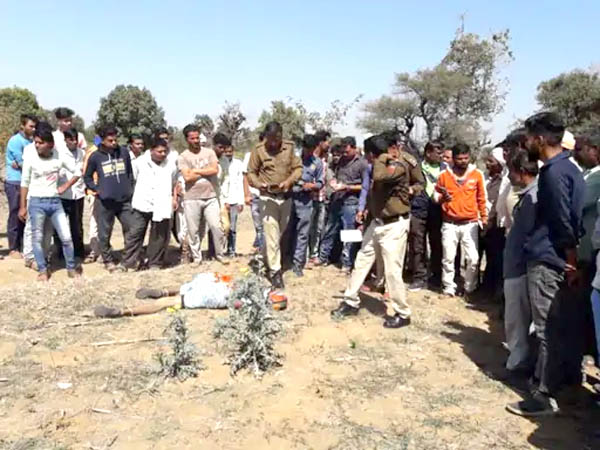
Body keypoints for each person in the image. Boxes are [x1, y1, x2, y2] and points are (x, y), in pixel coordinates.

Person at [506, 112, 585, 417]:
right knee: (562, 326)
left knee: (545, 329)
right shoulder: (570, 168)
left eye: (528, 137)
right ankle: (567, 384)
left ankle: (544, 395)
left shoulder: (552, 173)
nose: (526, 143)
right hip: (560, 258)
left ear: (539, 139)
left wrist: (570, 259)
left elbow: (563, 220)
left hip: (549, 259)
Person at [330, 133, 422, 328]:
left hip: (394, 224)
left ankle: (402, 313)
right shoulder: (377, 165)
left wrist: (381, 158)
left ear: (372, 154)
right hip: (377, 221)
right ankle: (350, 301)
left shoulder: (397, 165)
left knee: (392, 270)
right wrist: (364, 210)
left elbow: (380, 177)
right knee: (362, 261)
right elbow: (369, 189)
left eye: (368, 154)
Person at [18, 126, 82, 281]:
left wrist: (65, 186)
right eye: (36, 142)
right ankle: (42, 270)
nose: (37, 145)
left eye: (40, 143)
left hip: (55, 203)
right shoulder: (31, 159)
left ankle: (71, 268)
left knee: (66, 237)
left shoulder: (59, 157)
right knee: (37, 238)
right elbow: (24, 183)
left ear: (50, 145)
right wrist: (23, 207)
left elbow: (77, 172)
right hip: (36, 203)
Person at [247, 121, 302, 289]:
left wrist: (289, 181)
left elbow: (298, 169)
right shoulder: (258, 150)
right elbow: (251, 173)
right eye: (270, 139)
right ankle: (275, 272)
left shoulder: (290, 148)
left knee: (279, 234)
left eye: (276, 139)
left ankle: (263, 260)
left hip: (285, 197)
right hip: (267, 198)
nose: (272, 143)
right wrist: (259, 184)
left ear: (281, 136)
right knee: (271, 234)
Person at [434, 143, 488, 297]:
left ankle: (470, 288)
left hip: (470, 223)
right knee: (448, 258)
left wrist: (484, 218)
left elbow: (482, 198)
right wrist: (442, 198)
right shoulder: (444, 175)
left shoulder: (477, 174)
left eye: (466, 158)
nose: (463, 161)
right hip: (449, 223)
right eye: (459, 158)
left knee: (473, 258)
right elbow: (436, 196)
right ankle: (448, 287)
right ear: (453, 159)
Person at [503, 150, 538, 378]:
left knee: (517, 319)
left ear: (522, 172)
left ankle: (517, 364)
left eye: (511, 172)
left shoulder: (534, 197)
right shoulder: (529, 194)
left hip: (520, 267)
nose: (509, 177)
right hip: (517, 265)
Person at [83, 125, 135, 272]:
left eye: (115, 140)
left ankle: (129, 259)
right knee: (104, 233)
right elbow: (87, 177)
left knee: (131, 229)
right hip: (105, 201)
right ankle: (108, 260)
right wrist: (97, 189)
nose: (114, 143)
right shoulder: (95, 156)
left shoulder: (123, 152)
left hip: (124, 200)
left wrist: (130, 189)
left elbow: (129, 173)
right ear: (102, 140)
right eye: (110, 140)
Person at [316, 136, 369, 274]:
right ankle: (323, 257)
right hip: (337, 199)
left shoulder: (362, 164)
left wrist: (348, 187)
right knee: (329, 229)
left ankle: (347, 263)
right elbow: (333, 174)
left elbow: (365, 186)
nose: (344, 154)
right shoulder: (340, 161)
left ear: (354, 148)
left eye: (347, 151)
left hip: (351, 202)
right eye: (343, 151)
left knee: (349, 234)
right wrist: (333, 182)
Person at [122, 139, 177, 270]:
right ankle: (129, 263)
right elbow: (132, 180)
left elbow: (174, 182)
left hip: (161, 203)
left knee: (159, 236)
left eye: (165, 151)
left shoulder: (171, 165)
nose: (163, 154)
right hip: (142, 203)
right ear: (151, 150)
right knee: (135, 234)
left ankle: (155, 263)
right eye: (159, 151)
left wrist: (174, 198)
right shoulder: (139, 163)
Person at [178, 124, 225, 265]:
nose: (196, 141)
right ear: (187, 139)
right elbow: (187, 177)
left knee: (216, 227)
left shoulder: (209, 153)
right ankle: (197, 258)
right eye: (192, 138)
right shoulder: (183, 156)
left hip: (210, 196)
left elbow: (214, 170)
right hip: (191, 197)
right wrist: (205, 171)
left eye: (197, 137)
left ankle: (220, 255)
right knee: (193, 231)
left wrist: (196, 171)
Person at [408, 141, 446, 291]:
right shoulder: (416, 167)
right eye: (438, 153)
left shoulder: (445, 169)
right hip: (418, 209)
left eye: (442, 153)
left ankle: (436, 277)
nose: (440, 156)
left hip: (438, 210)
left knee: (437, 244)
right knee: (417, 245)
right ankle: (419, 277)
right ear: (428, 153)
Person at [290, 134, 324, 277]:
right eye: (306, 148)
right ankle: (285, 259)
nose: (309, 151)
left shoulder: (317, 163)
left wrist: (312, 186)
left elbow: (320, 182)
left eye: (311, 149)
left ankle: (298, 264)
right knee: (287, 231)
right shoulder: (293, 159)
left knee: (303, 233)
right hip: (290, 198)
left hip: (306, 201)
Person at [5, 114, 37, 258]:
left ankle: (25, 245)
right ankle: (13, 247)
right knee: (15, 213)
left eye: (35, 126)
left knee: (25, 214)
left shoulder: (32, 142)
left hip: (27, 182)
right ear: (22, 126)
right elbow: (22, 162)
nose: (33, 129)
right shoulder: (15, 141)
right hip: (15, 182)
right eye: (31, 126)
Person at [56, 128, 86, 260]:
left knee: (77, 225)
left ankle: (79, 252)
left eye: (75, 139)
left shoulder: (82, 153)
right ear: (65, 140)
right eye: (71, 140)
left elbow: (82, 171)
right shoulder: (59, 154)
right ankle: (61, 253)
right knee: (60, 224)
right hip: (63, 194)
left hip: (78, 194)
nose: (74, 142)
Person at [480, 147, 506, 298]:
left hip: (494, 225)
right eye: (487, 160)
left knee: (494, 258)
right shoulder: (482, 177)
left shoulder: (504, 181)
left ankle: (492, 289)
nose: (487, 164)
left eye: (491, 161)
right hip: (479, 222)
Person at [217, 133, 245, 256]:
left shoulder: (238, 164)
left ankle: (231, 250)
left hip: (235, 200)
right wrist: (225, 201)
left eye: (230, 151)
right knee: (222, 227)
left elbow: (240, 183)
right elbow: (222, 184)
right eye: (226, 151)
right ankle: (219, 250)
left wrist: (241, 201)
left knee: (233, 228)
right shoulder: (220, 163)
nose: (228, 153)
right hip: (223, 201)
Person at [308, 130, 331, 263]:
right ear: (321, 142)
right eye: (327, 141)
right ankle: (305, 255)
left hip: (321, 198)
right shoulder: (310, 158)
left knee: (318, 228)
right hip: (309, 199)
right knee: (307, 228)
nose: (329, 144)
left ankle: (314, 254)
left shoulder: (326, 159)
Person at [243, 132, 265, 254]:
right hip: (255, 195)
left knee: (268, 225)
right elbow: (245, 176)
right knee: (259, 226)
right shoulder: (250, 156)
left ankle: (263, 250)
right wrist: (247, 194)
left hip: (268, 196)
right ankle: (261, 250)